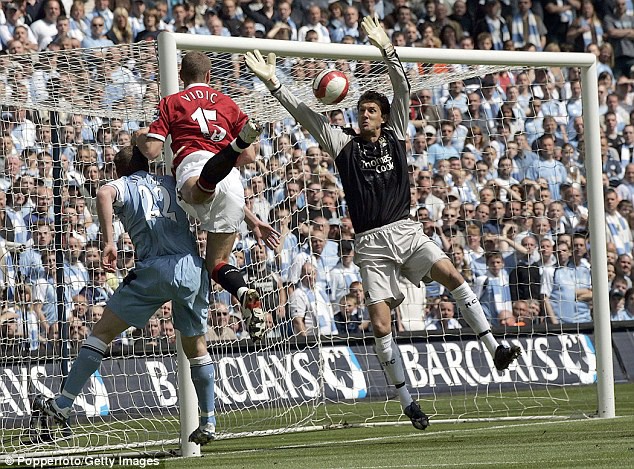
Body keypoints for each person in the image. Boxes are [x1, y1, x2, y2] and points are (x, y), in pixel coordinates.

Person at [245, 16, 521, 431]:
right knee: (378, 323)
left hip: (406, 231)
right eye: (361, 110)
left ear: (384, 116)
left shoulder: (396, 133)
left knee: (452, 274)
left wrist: (387, 48)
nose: (365, 114)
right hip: (371, 244)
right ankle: (408, 402)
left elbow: (403, 87)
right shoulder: (343, 144)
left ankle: (494, 347)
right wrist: (274, 82)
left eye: (371, 110)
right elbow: (306, 116)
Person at [33, 147, 217, 445]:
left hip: (153, 268)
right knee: (196, 345)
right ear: (148, 162)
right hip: (191, 268)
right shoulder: (171, 180)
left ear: (118, 171)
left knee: (102, 332)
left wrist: (108, 241)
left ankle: (63, 405)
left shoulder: (123, 184)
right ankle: (208, 421)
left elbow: (104, 194)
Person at [135, 50, 279, 342]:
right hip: (234, 183)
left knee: (193, 192)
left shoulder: (172, 102)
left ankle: (217, 167)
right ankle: (243, 292)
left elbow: (151, 151)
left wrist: (139, 136)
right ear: (209, 77)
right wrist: (252, 220)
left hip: (196, 165)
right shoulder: (227, 103)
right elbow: (251, 157)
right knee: (217, 263)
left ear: (180, 77)